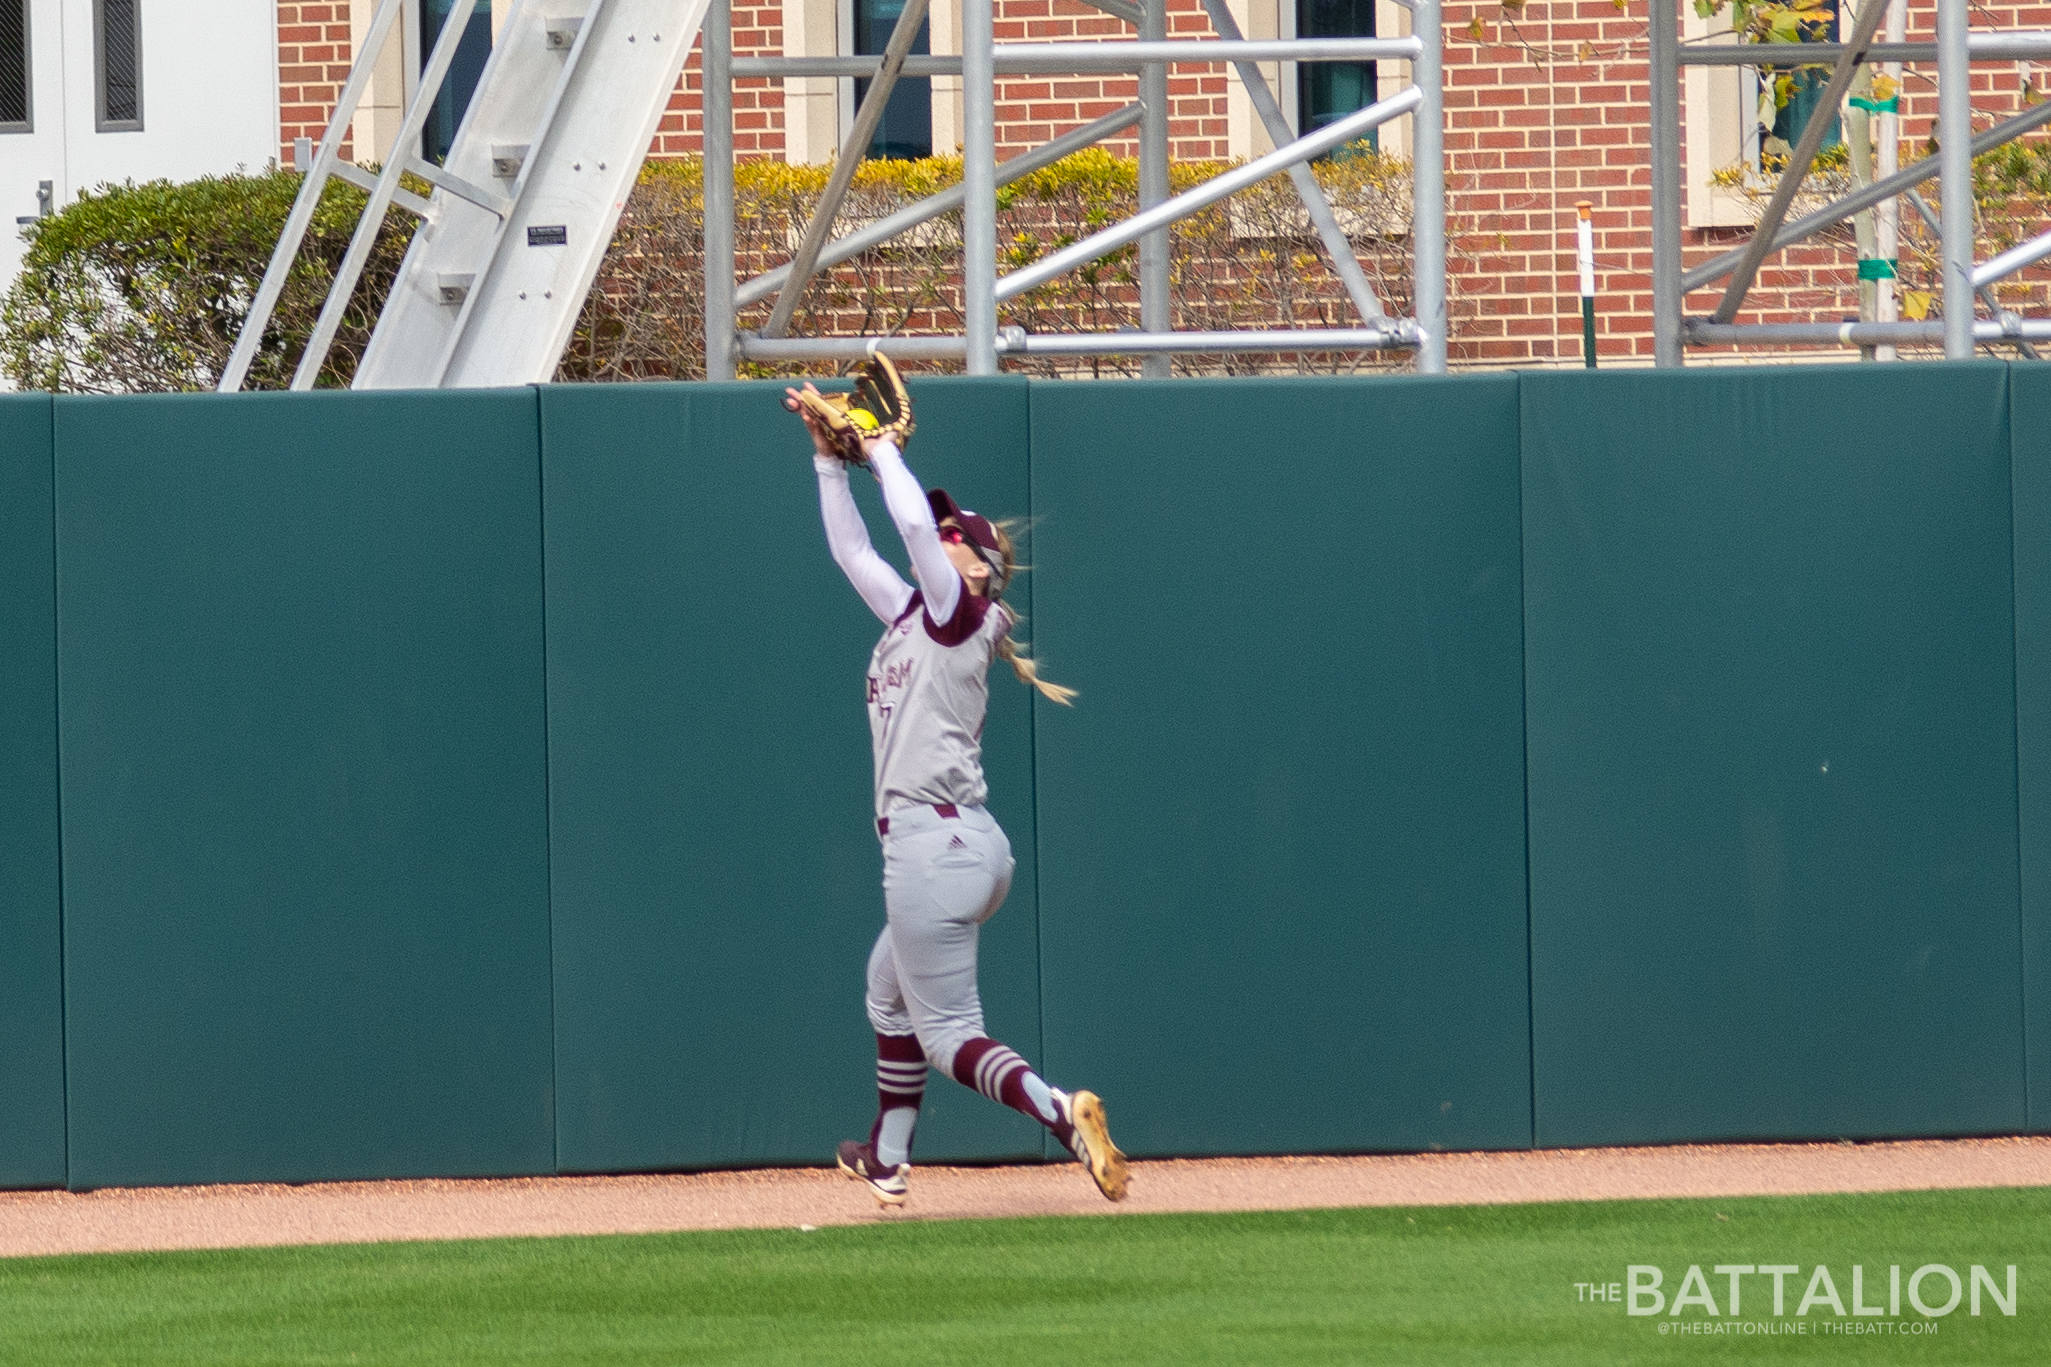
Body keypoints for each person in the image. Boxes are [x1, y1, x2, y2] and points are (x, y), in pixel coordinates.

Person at [789, 382, 1128, 1208]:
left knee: (947, 1035)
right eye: (941, 534)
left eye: (954, 537)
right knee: (886, 987)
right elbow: (854, 554)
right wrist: (828, 463)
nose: (938, 538)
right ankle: (889, 1156)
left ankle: (1057, 1108)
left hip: (930, 847)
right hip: (964, 846)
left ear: (980, 565)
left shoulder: (959, 608)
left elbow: (905, 525)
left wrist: (878, 449)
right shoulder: (917, 613)